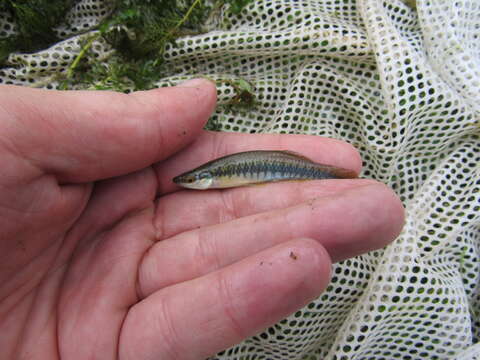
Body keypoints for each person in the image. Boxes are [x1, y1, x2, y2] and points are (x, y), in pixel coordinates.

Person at [0, 79, 404, 359]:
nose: (191, 183)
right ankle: (342, 180)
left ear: (206, 179)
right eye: (193, 180)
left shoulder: (218, 175)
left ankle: (339, 178)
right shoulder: (212, 177)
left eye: (193, 180)